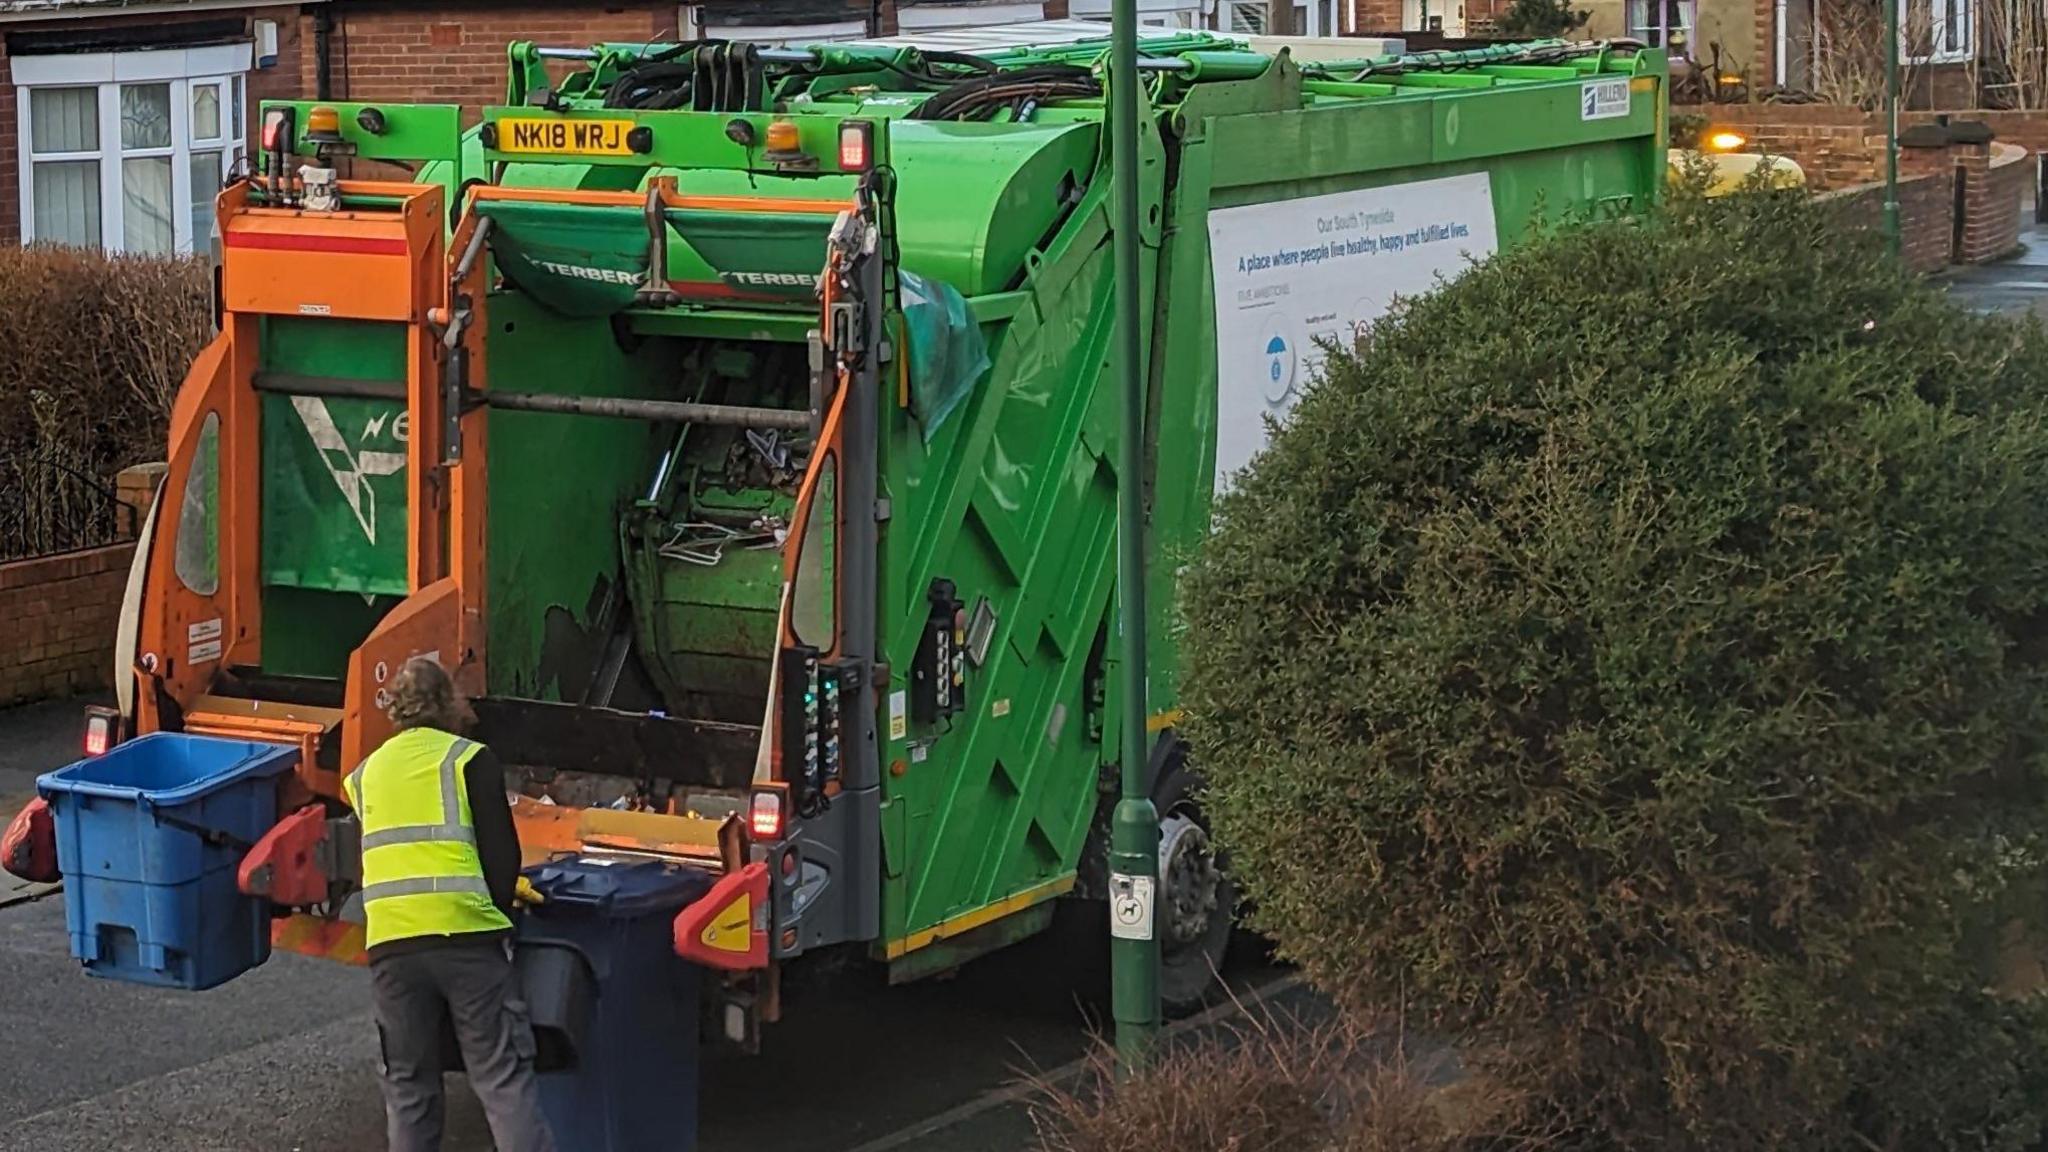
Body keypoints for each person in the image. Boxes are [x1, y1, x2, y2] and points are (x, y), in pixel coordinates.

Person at [342, 656, 557, 1152]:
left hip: (393, 946)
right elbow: (502, 856)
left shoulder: (365, 775)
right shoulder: (469, 759)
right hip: (467, 942)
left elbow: (368, 861)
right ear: (448, 703)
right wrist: (500, 914)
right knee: (501, 1080)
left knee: (410, 1086)